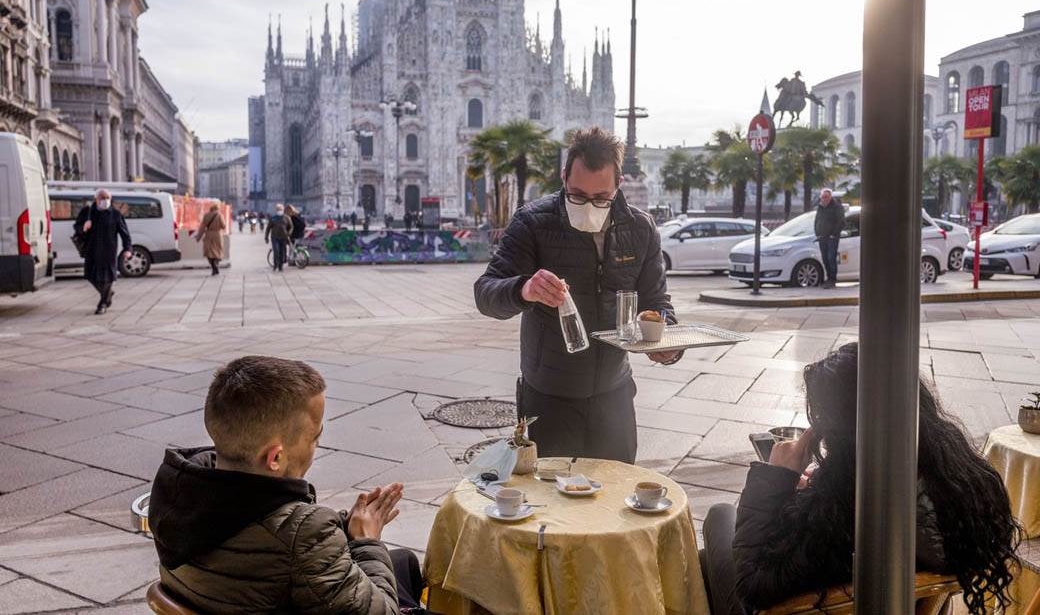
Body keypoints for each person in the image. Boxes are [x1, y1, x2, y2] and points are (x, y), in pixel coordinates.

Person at [699, 342, 1020, 615]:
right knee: (705, 556)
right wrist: (827, 485)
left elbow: (752, 585)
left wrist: (775, 478)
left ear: (844, 433)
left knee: (719, 516)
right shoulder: (948, 475)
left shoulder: (847, 519)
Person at [148, 355, 422, 613]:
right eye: (315, 437)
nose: (317, 446)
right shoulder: (303, 534)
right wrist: (366, 539)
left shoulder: (181, 491)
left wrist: (341, 527)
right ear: (276, 457)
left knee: (404, 562)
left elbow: (271, 538)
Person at [473, 127, 682, 463]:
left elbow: (657, 304)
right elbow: (485, 293)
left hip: (613, 393)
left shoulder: (640, 228)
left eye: (601, 198)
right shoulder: (533, 223)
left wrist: (667, 345)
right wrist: (524, 289)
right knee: (554, 506)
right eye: (577, 195)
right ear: (563, 177)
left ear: (618, 186)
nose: (588, 206)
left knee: (616, 498)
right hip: (549, 395)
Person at [74, 189, 132, 315]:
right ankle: (107, 293)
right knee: (90, 275)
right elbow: (77, 228)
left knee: (108, 277)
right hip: (91, 250)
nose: (105, 201)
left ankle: (103, 304)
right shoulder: (87, 213)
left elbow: (124, 233)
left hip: (108, 251)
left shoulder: (115, 214)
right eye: (102, 198)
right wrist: (84, 227)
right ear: (96, 199)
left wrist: (127, 248)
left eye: (107, 198)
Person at [814, 188, 845, 288]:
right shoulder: (820, 207)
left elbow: (841, 222)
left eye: (826, 197)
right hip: (822, 237)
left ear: (830, 197)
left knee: (831, 258)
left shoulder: (837, 207)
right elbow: (816, 221)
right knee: (825, 259)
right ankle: (828, 278)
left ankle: (832, 279)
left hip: (832, 238)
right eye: (823, 197)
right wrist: (817, 233)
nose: (824, 199)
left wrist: (833, 234)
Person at [196, 204, 226, 276]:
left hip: (209, 235)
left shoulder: (206, 215)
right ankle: (216, 262)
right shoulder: (220, 215)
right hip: (217, 235)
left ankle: (213, 268)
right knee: (218, 251)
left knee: (209, 251)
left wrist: (198, 237)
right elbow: (223, 226)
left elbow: (202, 227)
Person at [265, 204, 293, 272]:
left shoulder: (287, 218)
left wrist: (289, 233)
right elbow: (268, 228)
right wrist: (266, 237)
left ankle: (280, 266)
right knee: (276, 251)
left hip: (283, 237)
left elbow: (291, 226)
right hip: (275, 237)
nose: (279, 211)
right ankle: (275, 265)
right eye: (278, 209)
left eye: (280, 209)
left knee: (282, 252)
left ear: (283, 210)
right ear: (276, 210)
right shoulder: (273, 218)